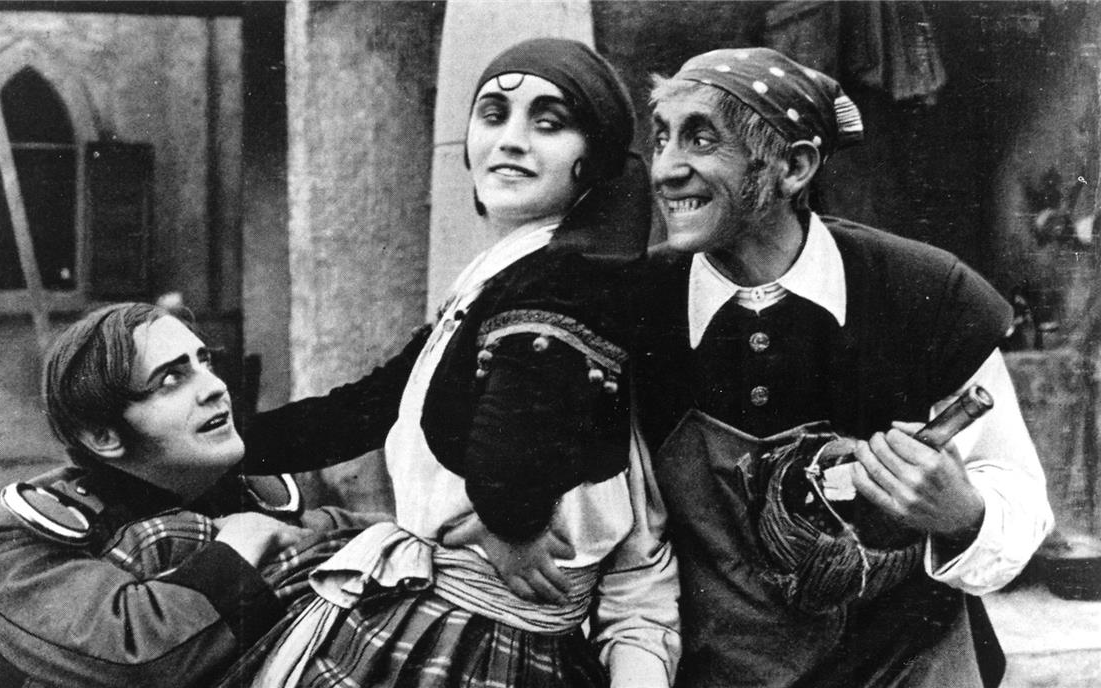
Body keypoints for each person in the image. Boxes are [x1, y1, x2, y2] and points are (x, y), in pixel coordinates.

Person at [236, 38, 679, 688]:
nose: (511, 140)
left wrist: (509, 518)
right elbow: (374, 404)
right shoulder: (504, 273)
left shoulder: (569, 279)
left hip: (484, 632)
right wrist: (232, 448)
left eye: (549, 123)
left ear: (596, 157)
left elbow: (514, 439)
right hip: (438, 597)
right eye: (494, 115)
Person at [634, 47, 1053, 687]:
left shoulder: (924, 292)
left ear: (794, 166)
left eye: (701, 139)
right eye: (662, 138)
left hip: (909, 668)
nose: (665, 169)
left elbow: (1020, 500)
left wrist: (961, 513)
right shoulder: (638, 306)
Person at [0, 303, 380, 688]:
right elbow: (135, 655)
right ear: (104, 437)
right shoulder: (21, 538)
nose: (215, 387)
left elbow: (335, 530)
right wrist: (240, 544)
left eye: (205, 362)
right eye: (171, 378)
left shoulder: (236, 495)